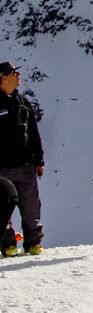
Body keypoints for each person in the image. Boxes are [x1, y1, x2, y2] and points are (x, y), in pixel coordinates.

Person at [0, 61, 44, 257]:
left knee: (31, 206)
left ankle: (33, 243)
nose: (18, 75)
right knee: (3, 207)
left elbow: (34, 133)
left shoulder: (23, 102)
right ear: (3, 77)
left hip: (26, 165)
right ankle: (8, 244)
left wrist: (39, 160)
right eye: (13, 72)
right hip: (2, 168)